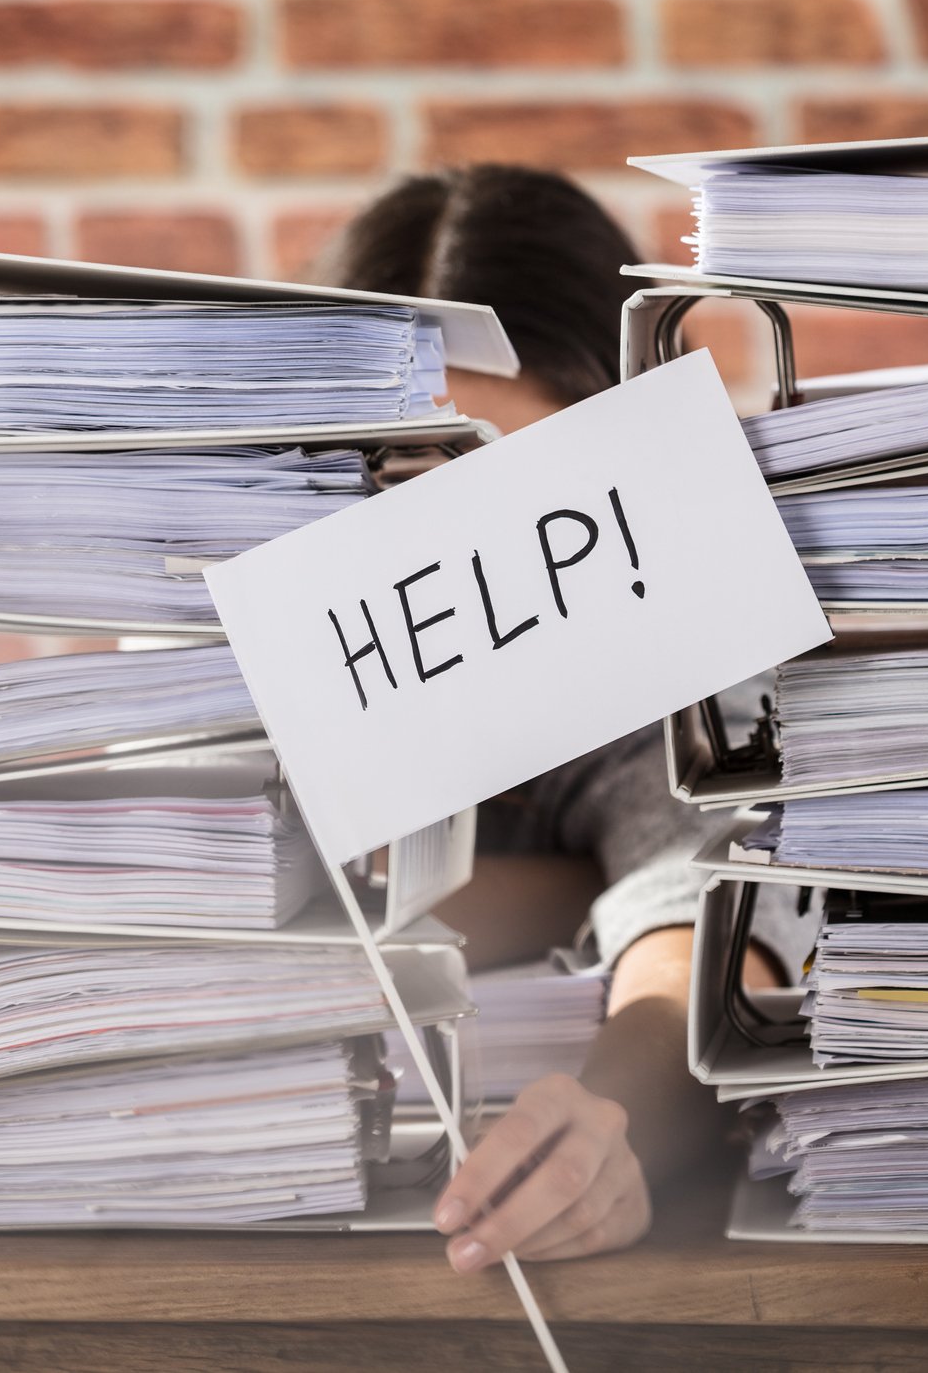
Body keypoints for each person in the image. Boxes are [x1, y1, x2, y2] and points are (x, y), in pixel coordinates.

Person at [306, 165, 808, 1272]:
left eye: (529, 494)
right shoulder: (237, 637)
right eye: (410, 485)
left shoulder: (665, 639)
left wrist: (612, 1124)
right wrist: (568, 888)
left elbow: (702, 911)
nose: (472, 561)